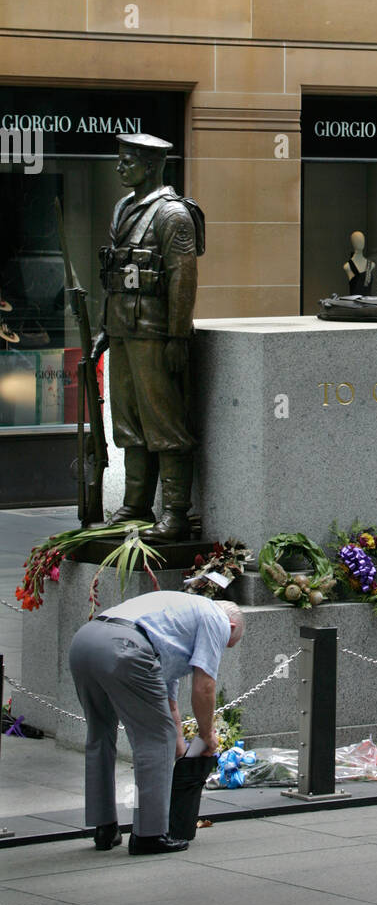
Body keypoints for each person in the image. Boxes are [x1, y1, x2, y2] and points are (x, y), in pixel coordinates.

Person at [68, 591, 244, 854]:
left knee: (99, 734)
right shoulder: (216, 618)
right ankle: (148, 834)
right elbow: (205, 686)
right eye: (227, 644)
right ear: (230, 627)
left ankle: (104, 828)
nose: (221, 648)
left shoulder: (178, 619)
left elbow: (168, 702)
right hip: (125, 647)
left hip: (85, 641)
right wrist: (207, 736)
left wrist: (179, 744)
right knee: (153, 740)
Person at [91, 133, 205, 540]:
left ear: (152, 164)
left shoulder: (173, 215)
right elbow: (116, 276)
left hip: (156, 335)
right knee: (128, 423)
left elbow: (182, 279)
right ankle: (135, 505)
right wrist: (106, 329)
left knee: (164, 424)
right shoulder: (124, 208)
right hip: (123, 331)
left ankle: (175, 512)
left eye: (127, 161)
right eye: (119, 160)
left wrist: (177, 338)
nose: (120, 168)